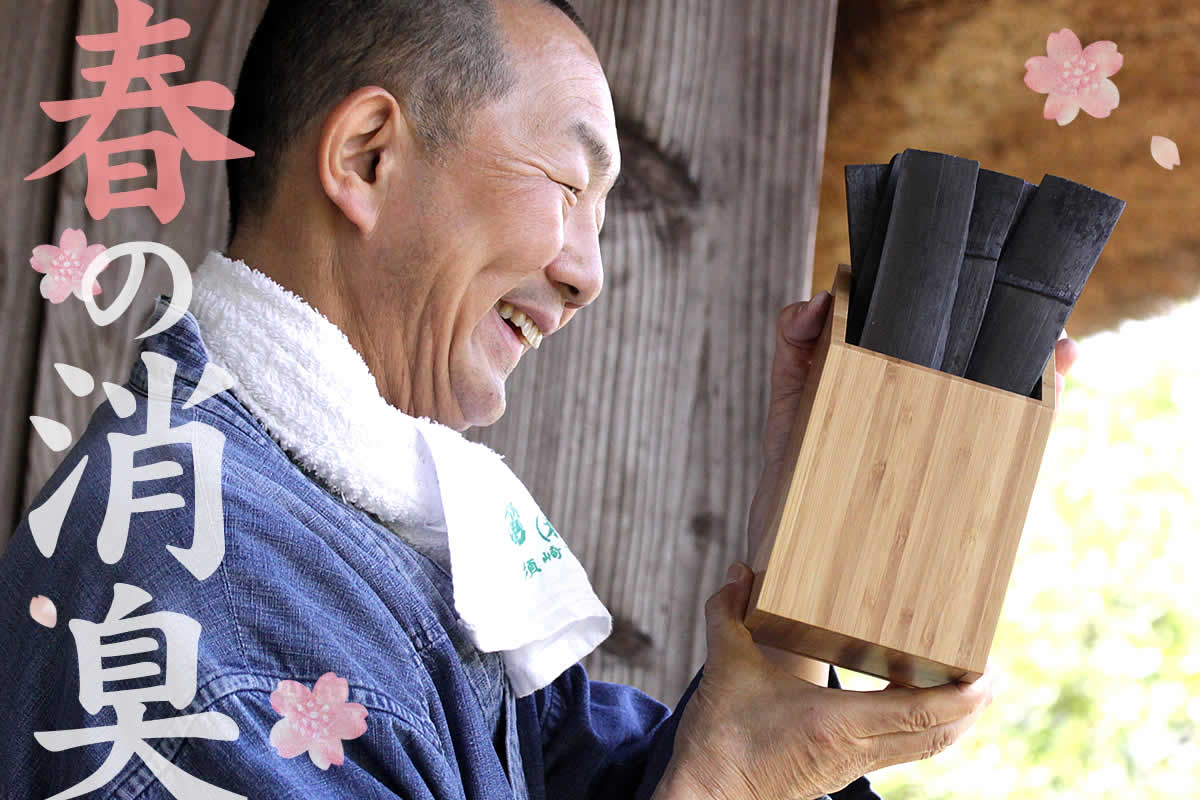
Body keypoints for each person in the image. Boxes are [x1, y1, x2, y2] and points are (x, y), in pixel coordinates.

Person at [0, 0, 1079, 798]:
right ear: (368, 155)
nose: (587, 271)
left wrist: (794, 585)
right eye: (569, 187)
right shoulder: (195, 602)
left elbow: (625, 772)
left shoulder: (379, 547)